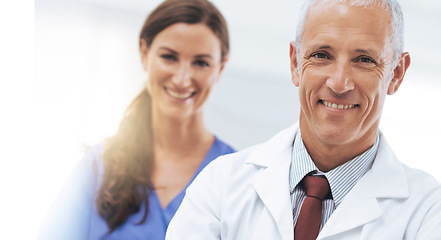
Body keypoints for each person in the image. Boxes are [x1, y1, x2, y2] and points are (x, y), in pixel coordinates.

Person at [165, 0, 441, 239]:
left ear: (396, 74)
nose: (339, 83)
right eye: (322, 55)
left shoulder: (428, 212)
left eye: (364, 60)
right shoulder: (220, 184)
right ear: (295, 64)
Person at [37, 0, 234, 239]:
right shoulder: (99, 166)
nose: (182, 79)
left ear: (221, 68)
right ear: (144, 53)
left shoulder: (235, 176)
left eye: (201, 63)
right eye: (169, 57)